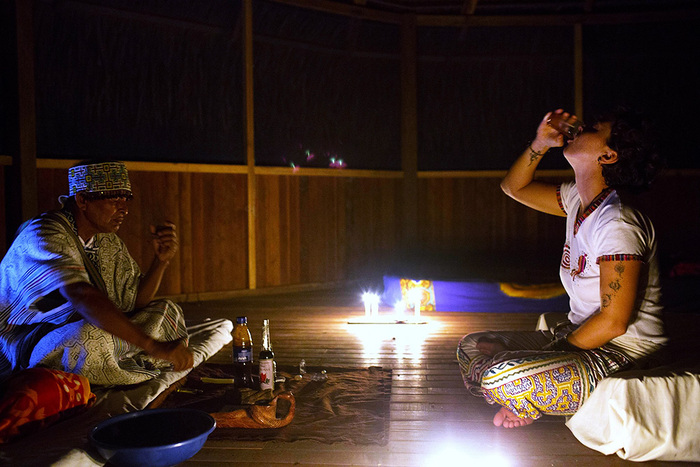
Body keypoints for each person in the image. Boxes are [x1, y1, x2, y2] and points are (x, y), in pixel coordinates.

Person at [457, 107, 667, 428]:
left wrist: (551, 353)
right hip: (577, 338)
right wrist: (540, 144)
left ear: (608, 156)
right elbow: (514, 188)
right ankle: (526, 393)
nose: (581, 129)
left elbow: (613, 322)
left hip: (622, 354)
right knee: (472, 345)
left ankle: (522, 398)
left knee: (501, 376)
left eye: (594, 129)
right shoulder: (577, 200)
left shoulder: (617, 221)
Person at [0, 161, 194, 386]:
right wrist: (152, 345)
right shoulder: (44, 233)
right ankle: (130, 362)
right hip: (30, 339)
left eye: (125, 199)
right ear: (82, 200)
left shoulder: (107, 240)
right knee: (90, 338)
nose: (124, 209)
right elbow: (82, 295)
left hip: (89, 325)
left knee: (167, 310)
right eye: (114, 200)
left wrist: (161, 262)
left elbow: (136, 302)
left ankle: (119, 361)